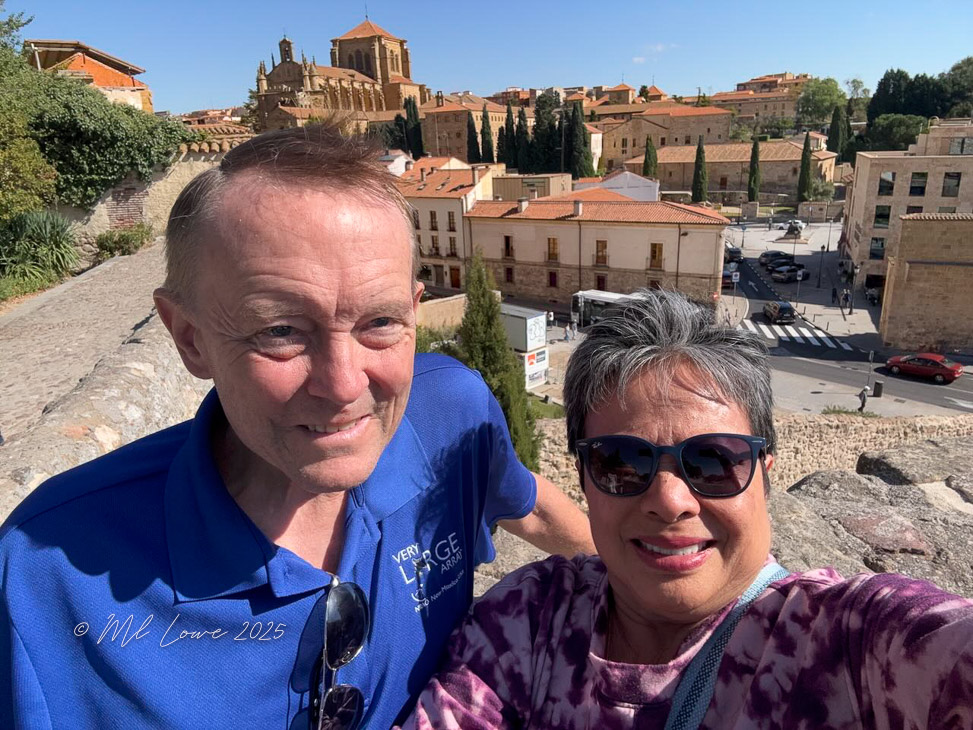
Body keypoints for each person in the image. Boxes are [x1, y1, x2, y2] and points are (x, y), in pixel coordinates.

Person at [0, 125, 594, 729]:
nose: (342, 385)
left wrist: (677, 620)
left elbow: (533, 507)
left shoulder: (450, 414)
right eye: (280, 332)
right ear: (189, 337)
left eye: (381, 321)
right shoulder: (44, 580)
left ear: (416, 311)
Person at [403, 289, 973, 729]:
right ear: (584, 479)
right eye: (622, 463)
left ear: (764, 475)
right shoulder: (526, 620)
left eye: (712, 461)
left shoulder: (847, 646)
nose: (670, 501)